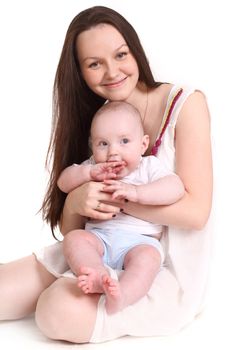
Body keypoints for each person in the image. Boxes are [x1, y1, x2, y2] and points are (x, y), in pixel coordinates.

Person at [0, 5, 213, 344]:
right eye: (94, 63)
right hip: (97, 246)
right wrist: (76, 202)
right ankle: (89, 277)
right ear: (80, 72)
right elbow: (72, 225)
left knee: (54, 311)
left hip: (160, 263)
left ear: (135, 51)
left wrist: (124, 198)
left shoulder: (185, 104)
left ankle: (108, 290)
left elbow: (196, 213)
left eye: (120, 54)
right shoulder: (102, 118)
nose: (112, 72)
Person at [57, 101, 185, 314]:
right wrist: (88, 174)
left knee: (148, 260)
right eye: (103, 144)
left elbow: (176, 188)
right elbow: (63, 182)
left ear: (143, 145)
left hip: (139, 242)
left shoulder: (148, 166)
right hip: (100, 238)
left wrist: (137, 193)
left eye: (124, 141)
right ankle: (97, 274)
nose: (113, 152)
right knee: (74, 239)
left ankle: (123, 295)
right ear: (92, 147)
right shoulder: (93, 166)